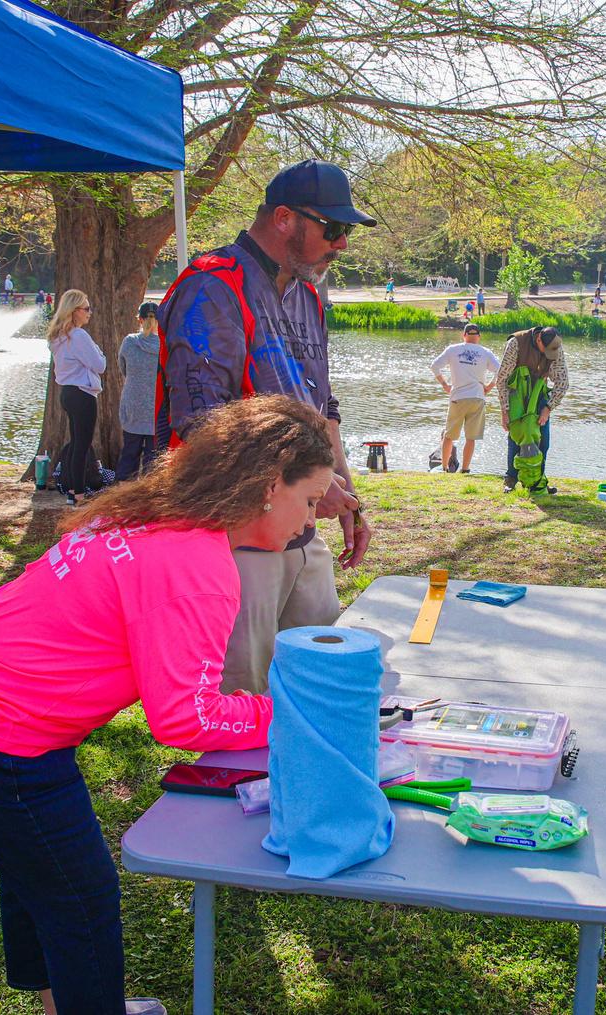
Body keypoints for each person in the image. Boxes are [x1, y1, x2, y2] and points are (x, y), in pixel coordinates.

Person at [0, 396, 331, 1015]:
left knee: (38, 874)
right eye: (311, 500)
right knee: (79, 898)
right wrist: (288, 712)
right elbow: (186, 718)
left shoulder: (156, 514)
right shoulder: (199, 568)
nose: (310, 520)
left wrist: (248, 705)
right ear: (271, 486)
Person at [157, 158, 375, 693]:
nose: (342, 243)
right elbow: (203, 424)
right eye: (333, 228)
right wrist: (308, 485)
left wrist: (345, 494)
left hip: (302, 526)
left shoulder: (308, 295)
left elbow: (322, 407)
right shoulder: (212, 286)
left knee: (324, 678)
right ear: (284, 218)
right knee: (243, 690)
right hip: (234, 535)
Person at [47, 290, 105, 507]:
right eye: (86, 309)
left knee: (76, 442)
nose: (90, 312)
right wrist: (98, 351)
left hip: (68, 392)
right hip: (82, 393)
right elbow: (100, 365)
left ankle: (73, 488)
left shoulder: (58, 337)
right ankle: (79, 493)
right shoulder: (78, 336)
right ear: (74, 311)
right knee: (82, 444)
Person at [497, 325, 568, 493]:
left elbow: (563, 382)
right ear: (538, 339)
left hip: (539, 395)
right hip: (517, 395)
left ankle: (537, 481)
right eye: (547, 350)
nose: (550, 355)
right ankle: (511, 479)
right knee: (516, 438)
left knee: (543, 441)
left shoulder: (555, 346)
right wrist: (505, 411)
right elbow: (502, 379)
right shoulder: (516, 343)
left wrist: (548, 408)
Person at [431, 322, 499, 474]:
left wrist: (445, 385)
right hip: (477, 397)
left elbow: (434, 366)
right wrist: (489, 386)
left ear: (464, 335)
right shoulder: (485, 352)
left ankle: (444, 468)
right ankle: (465, 469)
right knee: (471, 437)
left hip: (458, 397)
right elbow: (501, 370)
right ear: (479, 336)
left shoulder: (453, 349)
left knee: (449, 435)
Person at [116, 302, 161, 481]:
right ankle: (147, 493)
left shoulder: (129, 342)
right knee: (153, 459)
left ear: (140, 320)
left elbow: (123, 368)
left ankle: (122, 491)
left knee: (129, 454)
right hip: (155, 407)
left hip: (133, 406)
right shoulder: (165, 346)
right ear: (159, 321)